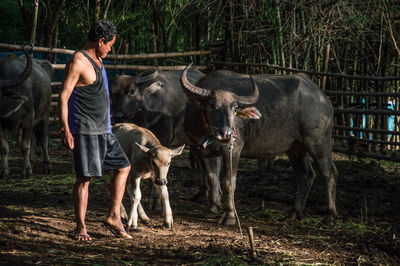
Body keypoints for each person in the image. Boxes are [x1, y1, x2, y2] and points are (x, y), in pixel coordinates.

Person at [58, 20, 132, 240]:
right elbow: (63, 96)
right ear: (100, 41)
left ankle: (113, 216)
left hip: (104, 130)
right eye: (109, 44)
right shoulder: (78, 61)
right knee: (84, 178)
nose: (110, 48)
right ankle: (80, 227)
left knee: (124, 166)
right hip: (86, 130)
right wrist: (65, 129)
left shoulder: (99, 60)